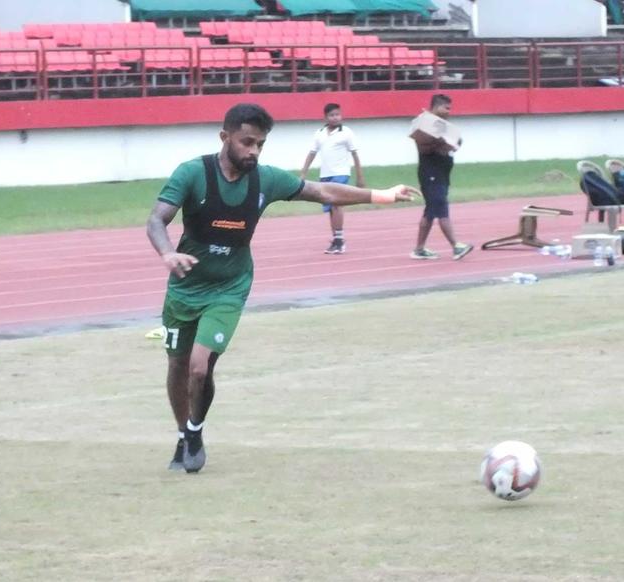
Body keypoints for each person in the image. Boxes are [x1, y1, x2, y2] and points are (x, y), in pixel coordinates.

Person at [146, 103, 419, 474]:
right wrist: (166, 253)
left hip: (230, 286)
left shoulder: (266, 179)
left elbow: (321, 191)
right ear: (225, 137)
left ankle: (195, 430)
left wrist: (381, 195)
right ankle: (183, 433)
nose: (254, 151)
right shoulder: (193, 173)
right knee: (177, 365)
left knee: (199, 368)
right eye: (247, 142)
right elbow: (157, 219)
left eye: (260, 144)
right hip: (185, 286)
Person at [409, 94, 473, 261]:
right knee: (441, 208)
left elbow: (456, 142)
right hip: (431, 174)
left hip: (441, 173)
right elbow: (423, 148)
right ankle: (456, 246)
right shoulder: (425, 125)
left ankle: (419, 249)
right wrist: (439, 144)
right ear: (436, 107)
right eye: (446, 108)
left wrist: (453, 142)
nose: (449, 111)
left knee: (430, 212)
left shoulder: (444, 127)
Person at [298, 103, 366, 254]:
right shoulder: (320, 133)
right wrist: (303, 172)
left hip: (341, 173)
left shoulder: (346, 133)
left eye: (338, 115)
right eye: (332, 115)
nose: (335, 118)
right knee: (329, 207)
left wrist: (360, 176)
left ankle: (340, 240)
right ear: (326, 117)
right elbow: (312, 153)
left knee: (337, 203)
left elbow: (355, 154)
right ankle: (336, 239)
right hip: (325, 175)